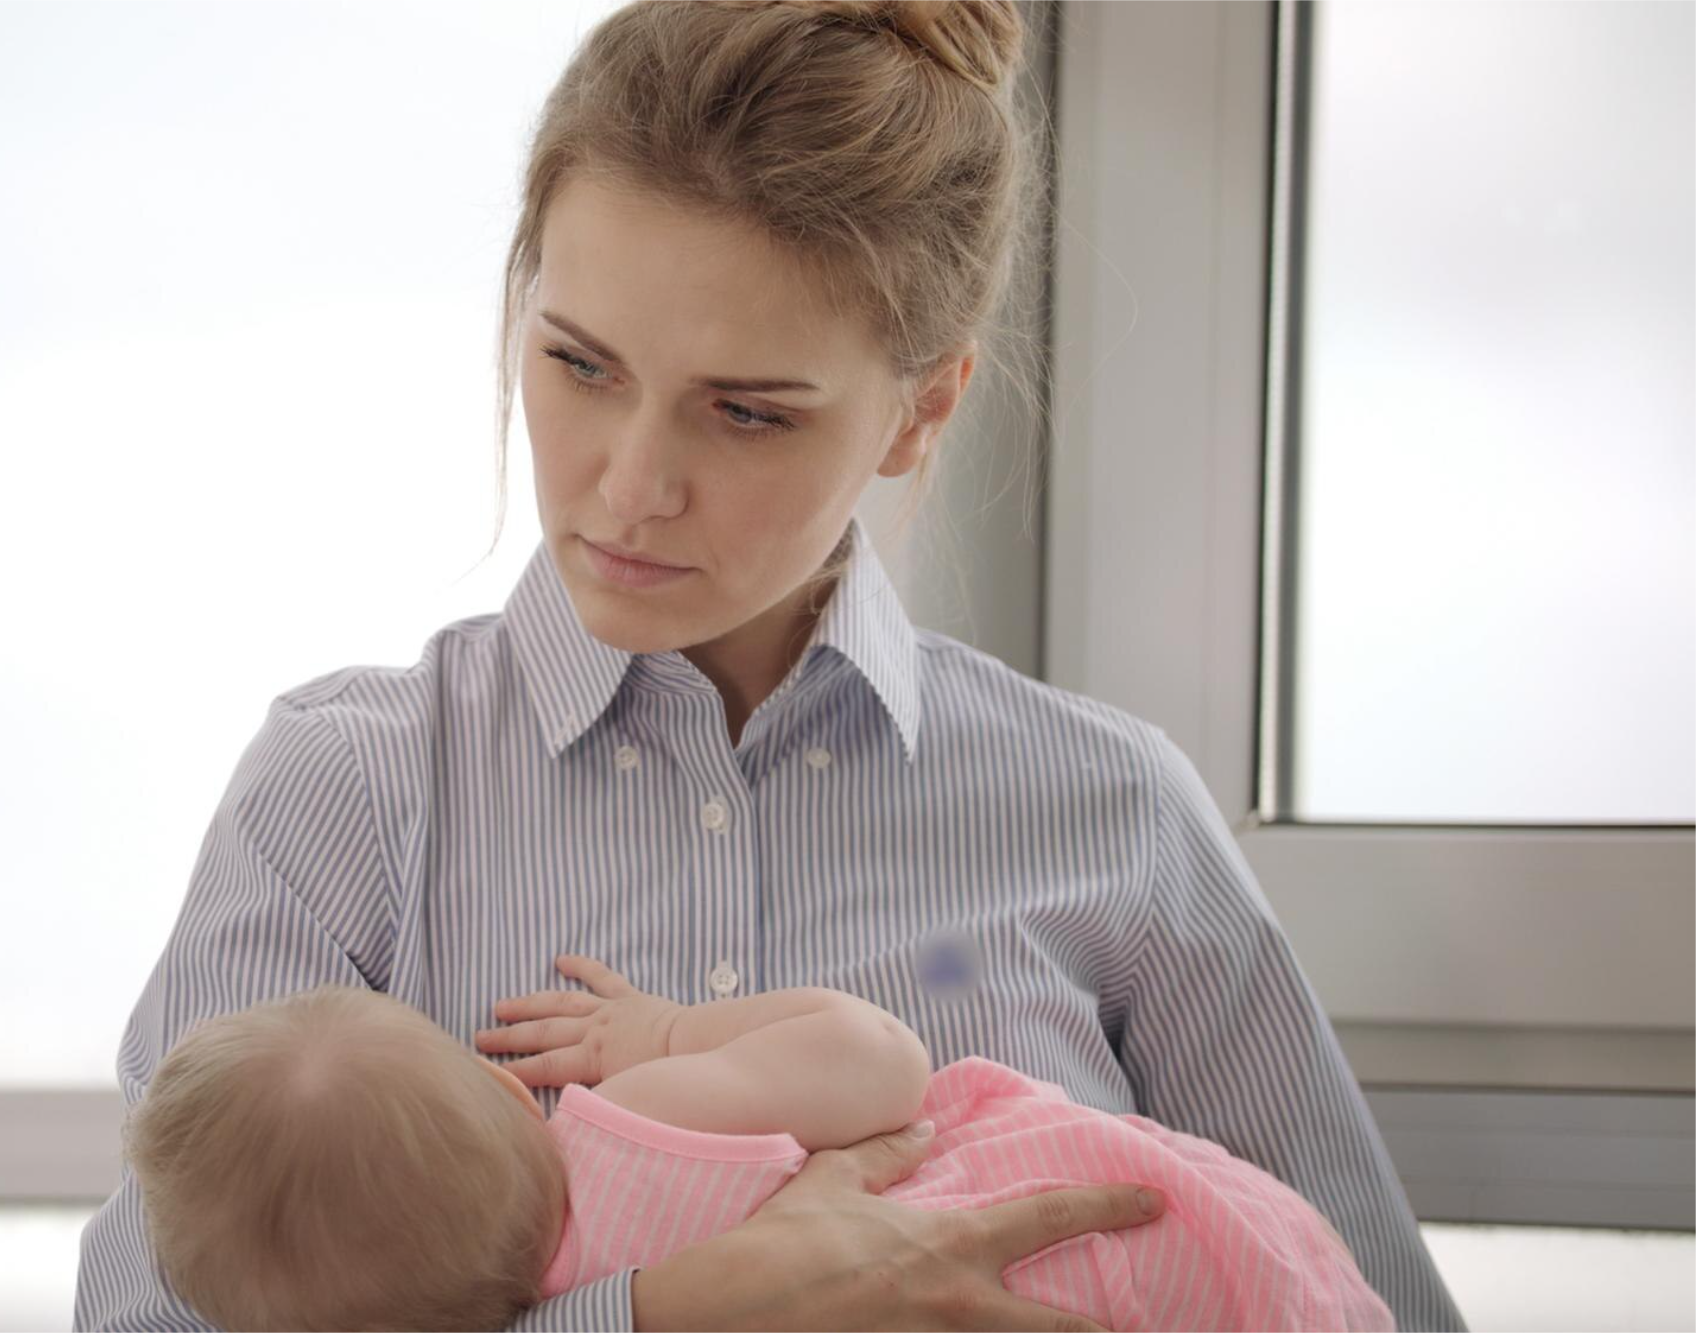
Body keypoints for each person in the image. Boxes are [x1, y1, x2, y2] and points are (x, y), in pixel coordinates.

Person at [74, 1, 1471, 1328]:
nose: (629, 488)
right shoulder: (345, 795)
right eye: (579, 363)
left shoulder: (1114, 812)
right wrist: (666, 1318)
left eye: (745, 412)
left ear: (922, 412)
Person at [119, 955, 1395, 1332]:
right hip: (1159, 1238)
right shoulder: (632, 1124)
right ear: (515, 1098)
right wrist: (663, 1030)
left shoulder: (558, 1299)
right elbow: (879, 1062)